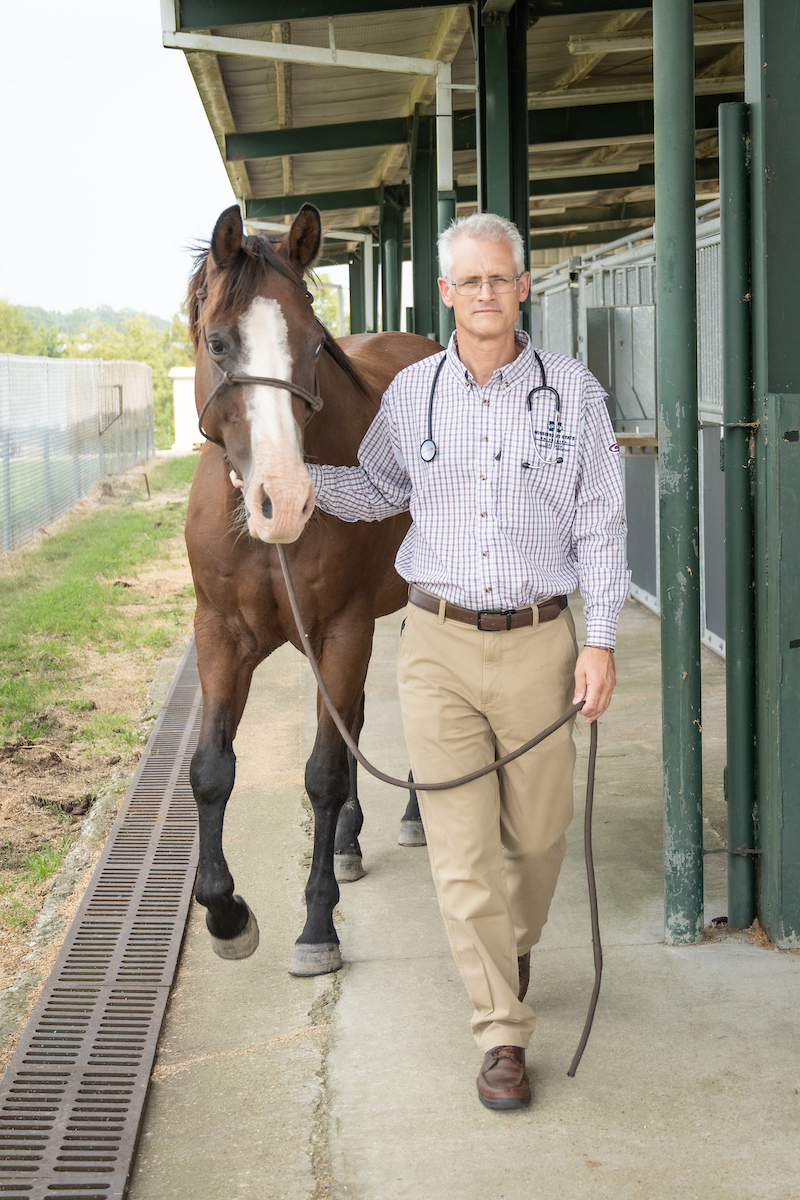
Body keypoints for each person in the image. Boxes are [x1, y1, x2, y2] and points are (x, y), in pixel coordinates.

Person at [306, 213, 630, 1110]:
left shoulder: (574, 393)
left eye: (500, 278)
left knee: (537, 838)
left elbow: (601, 527)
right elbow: (378, 487)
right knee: (459, 854)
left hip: (541, 642)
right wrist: (297, 489)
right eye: (468, 281)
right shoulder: (412, 395)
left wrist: (599, 638)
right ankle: (499, 1029)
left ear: (522, 287)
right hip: (438, 644)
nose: (485, 293)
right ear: (445, 293)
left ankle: (510, 942)